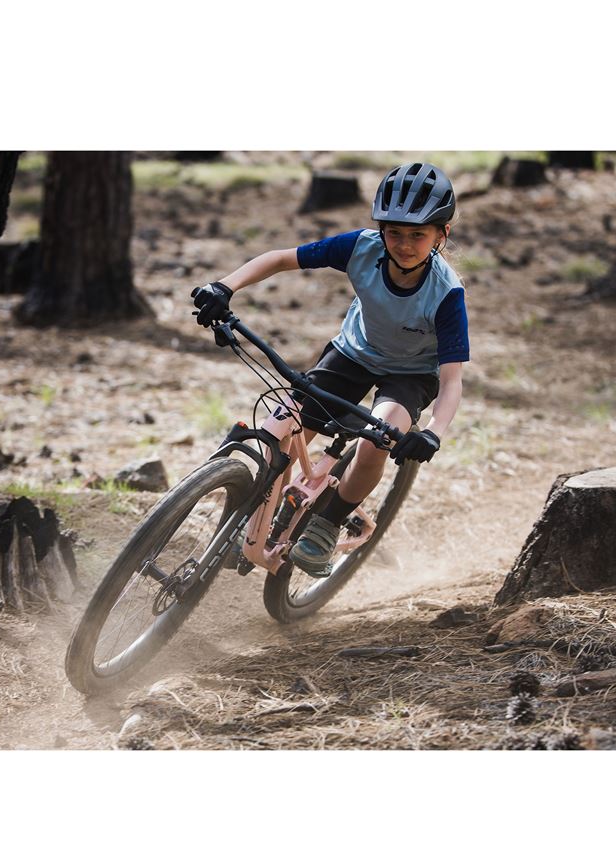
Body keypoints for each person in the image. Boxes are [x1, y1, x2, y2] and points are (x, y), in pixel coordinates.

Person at [191, 162, 469, 577]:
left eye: (418, 235)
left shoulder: (446, 293)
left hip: (410, 374)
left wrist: (433, 431)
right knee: (282, 430)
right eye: (394, 232)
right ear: (380, 229)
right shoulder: (361, 248)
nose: (404, 244)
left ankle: (328, 522)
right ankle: (259, 516)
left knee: (379, 438)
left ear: (441, 235)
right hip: (353, 353)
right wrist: (224, 286)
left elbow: (452, 380)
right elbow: (281, 259)